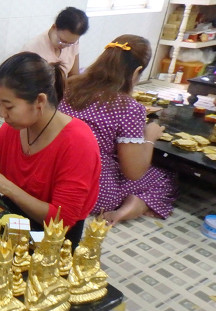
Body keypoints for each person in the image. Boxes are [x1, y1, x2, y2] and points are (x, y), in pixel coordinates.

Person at [0, 52, 101, 247]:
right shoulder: (14, 127)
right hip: (13, 214)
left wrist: (6, 187)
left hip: (53, 235)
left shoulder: (78, 142)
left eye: (8, 106)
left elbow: (61, 220)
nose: (1, 114)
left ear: (40, 101)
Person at [59, 35, 178, 225]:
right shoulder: (129, 108)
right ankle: (124, 211)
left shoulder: (69, 87)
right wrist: (149, 137)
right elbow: (133, 172)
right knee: (162, 177)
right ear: (137, 72)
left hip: (55, 178)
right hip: (93, 192)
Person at [23, 7, 89, 77]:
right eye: (62, 41)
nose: (65, 46)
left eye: (70, 43)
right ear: (54, 27)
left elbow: (74, 75)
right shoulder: (32, 49)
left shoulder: (73, 42)